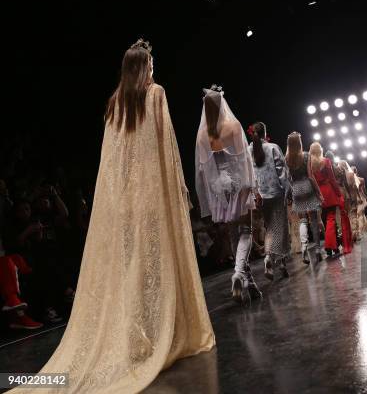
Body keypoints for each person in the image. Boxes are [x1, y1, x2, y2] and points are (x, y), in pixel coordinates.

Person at [10, 39, 216, 394]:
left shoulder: (114, 104)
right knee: (154, 266)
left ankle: (137, 337)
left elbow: (112, 163)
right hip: (152, 197)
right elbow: (165, 147)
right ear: (144, 67)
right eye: (150, 64)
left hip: (125, 203)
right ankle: (155, 335)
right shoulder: (155, 95)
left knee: (133, 267)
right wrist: (178, 191)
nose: (154, 70)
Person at [195, 85, 262, 305]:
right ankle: (239, 274)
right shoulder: (233, 126)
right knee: (246, 232)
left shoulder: (203, 134)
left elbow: (204, 168)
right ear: (222, 103)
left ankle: (249, 284)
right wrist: (253, 186)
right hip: (238, 184)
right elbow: (245, 161)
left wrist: (214, 189)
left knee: (234, 235)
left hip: (219, 188)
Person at [248, 122, 291, 280]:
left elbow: (249, 175)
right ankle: (277, 262)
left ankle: (272, 259)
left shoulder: (248, 150)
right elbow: (282, 172)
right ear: (265, 133)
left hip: (260, 195)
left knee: (270, 229)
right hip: (276, 194)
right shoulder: (272, 147)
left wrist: (254, 192)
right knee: (280, 229)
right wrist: (287, 191)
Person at [285, 132, 323, 265]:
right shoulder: (306, 155)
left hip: (296, 188)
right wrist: (318, 192)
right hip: (307, 186)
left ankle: (304, 247)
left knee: (302, 221)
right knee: (313, 220)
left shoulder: (287, 158)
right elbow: (311, 176)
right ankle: (318, 250)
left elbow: (288, 179)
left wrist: (292, 190)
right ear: (299, 143)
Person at [310, 143, 343, 257]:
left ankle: (331, 247)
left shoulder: (310, 164)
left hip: (318, 193)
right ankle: (331, 246)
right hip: (328, 191)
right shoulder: (326, 161)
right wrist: (338, 193)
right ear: (320, 150)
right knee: (331, 219)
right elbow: (332, 179)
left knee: (325, 219)